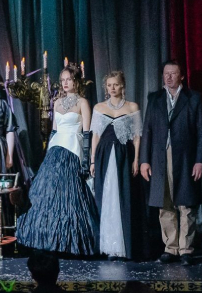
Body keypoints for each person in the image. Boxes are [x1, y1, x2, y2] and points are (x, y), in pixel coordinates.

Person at [16, 63, 99, 256]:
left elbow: (87, 133)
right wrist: (48, 155)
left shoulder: (83, 102)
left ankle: (70, 243)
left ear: (76, 81)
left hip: (73, 150)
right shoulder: (57, 102)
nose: (65, 83)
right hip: (55, 151)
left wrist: (87, 161)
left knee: (70, 196)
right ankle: (47, 240)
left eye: (69, 79)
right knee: (49, 195)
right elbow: (54, 131)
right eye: (62, 80)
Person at [139, 59, 202, 265]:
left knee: (186, 203)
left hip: (185, 157)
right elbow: (147, 130)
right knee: (165, 203)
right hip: (160, 157)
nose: (168, 77)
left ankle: (186, 249)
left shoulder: (193, 98)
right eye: (166, 73)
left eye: (173, 73)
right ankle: (171, 247)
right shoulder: (155, 98)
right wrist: (144, 160)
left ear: (182, 76)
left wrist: (200, 160)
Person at [90, 70, 143, 261]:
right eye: (109, 85)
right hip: (104, 155)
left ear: (123, 86)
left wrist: (136, 159)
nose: (112, 88)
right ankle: (108, 246)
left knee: (123, 196)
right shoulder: (99, 107)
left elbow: (137, 136)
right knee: (106, 197)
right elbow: (95, 136)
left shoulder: (132, 106)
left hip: (124, 156)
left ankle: (123, 246)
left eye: (116, 85)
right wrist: (93, 160)